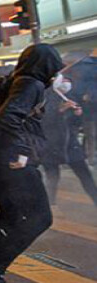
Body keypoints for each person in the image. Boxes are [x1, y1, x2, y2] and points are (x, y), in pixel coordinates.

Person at [0, 44, 63, 283]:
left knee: (10, 216)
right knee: (40, 218)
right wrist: (21, 151)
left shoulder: (16, 81)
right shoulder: (30, 84)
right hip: (13, 162)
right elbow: (8, 115)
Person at [41, 75, 97, 207]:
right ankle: (49, 204)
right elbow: (43, 120)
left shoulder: (69, 96)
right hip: (50, 144)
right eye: (64, 81)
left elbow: (74, 124)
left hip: (70, 143)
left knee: (85, 175)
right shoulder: (44, 97)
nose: (67, 84)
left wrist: (78, 114)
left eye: (68, 81)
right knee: (52, 177)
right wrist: (59, 110)